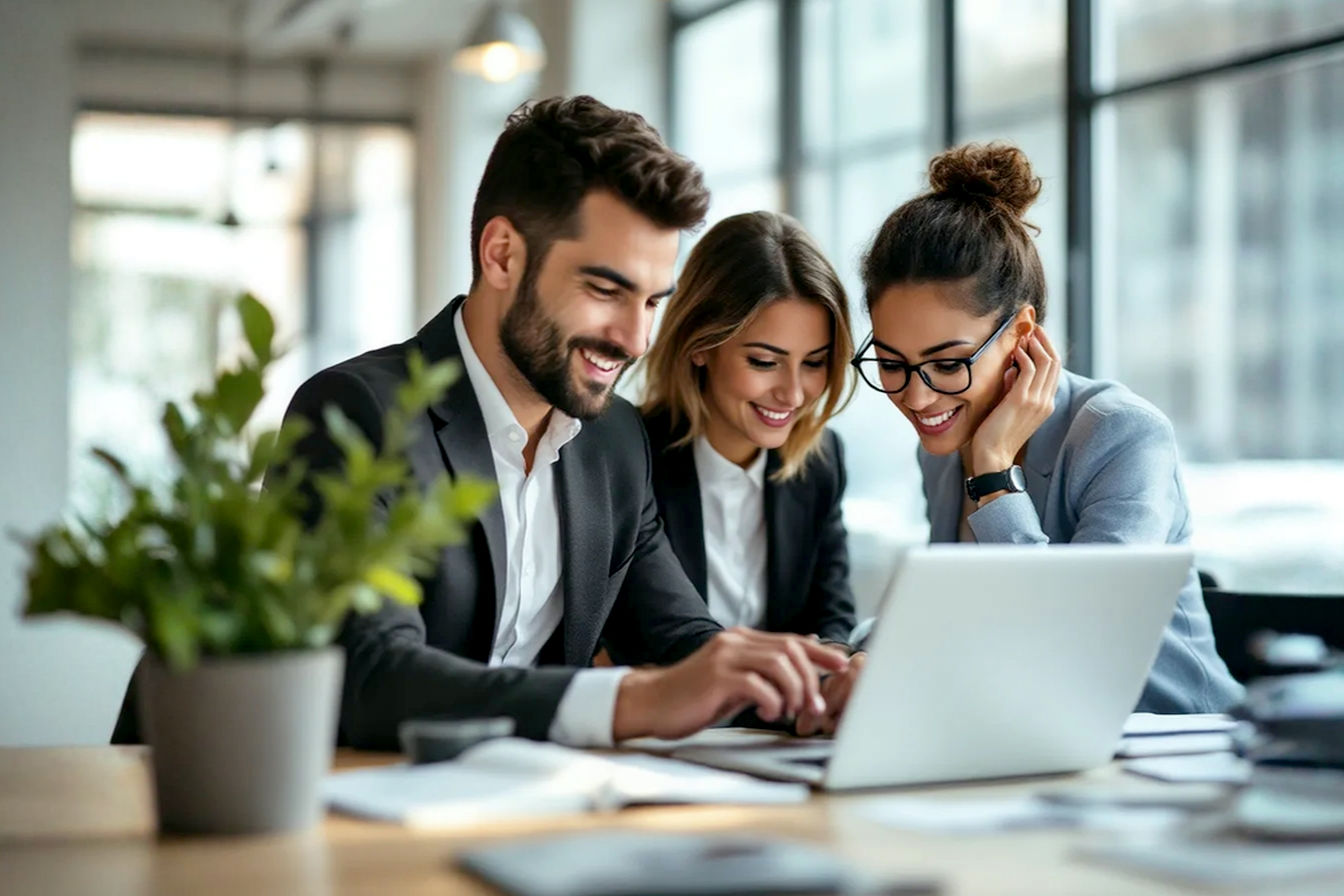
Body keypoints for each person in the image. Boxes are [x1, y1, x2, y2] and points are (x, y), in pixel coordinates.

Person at [280, 96, 847, 751]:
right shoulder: (356, 415)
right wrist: (632, 699)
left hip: (550, 813)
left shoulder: (615, 444)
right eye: (606, 291)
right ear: (502, 256)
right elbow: (371, 677)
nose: (636, 338)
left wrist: (811, 688)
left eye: (652, 301)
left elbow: (684, 643)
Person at [850, 142, 1242, 713]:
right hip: (1037, 742)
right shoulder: (941, 449)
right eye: (891, 363)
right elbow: (960, 621)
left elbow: (1076, 645)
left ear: (1020, 332)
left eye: (948, 363)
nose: (916, 395)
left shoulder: (1124, 435)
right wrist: (853, 656)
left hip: (1178, 749)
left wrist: (992, 476)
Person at [639, 211, 861, 734]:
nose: (794, 393)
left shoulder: (821, 462)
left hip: (776, 740)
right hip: (663, 739)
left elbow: (833, 614)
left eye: (815, 362)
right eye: (765, 361)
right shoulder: (630, 457)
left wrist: (837, 669)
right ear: (701, 346)